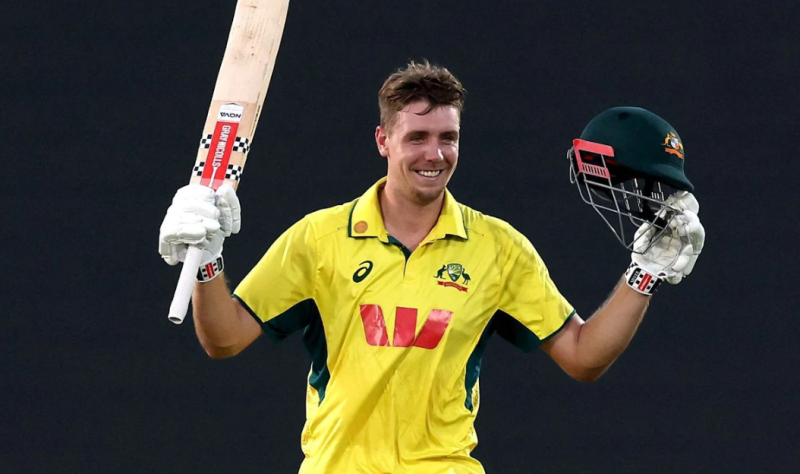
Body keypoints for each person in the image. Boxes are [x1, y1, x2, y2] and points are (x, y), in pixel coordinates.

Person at [159, 61, 705, 474]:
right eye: (416, 137)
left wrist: (644, 274)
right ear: (383, 141)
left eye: (448, 138)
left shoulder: (498, 249)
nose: (435, 154)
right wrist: (208, 261)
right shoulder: (318, 239)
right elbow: (224, 340)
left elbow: (583, 358)